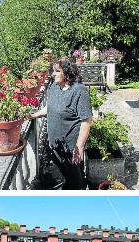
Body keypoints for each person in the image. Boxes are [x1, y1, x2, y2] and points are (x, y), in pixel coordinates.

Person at [30, 57, 93, 189]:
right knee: (63, 173)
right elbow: (50, 107)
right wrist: (34, 115)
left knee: (74, 178)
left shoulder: (79, 91)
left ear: (67, 72)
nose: (53, 74)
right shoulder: (54, 87)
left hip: (71, 146)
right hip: (55, 143)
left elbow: (86, 121)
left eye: (57, 71)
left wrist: (79, 147)